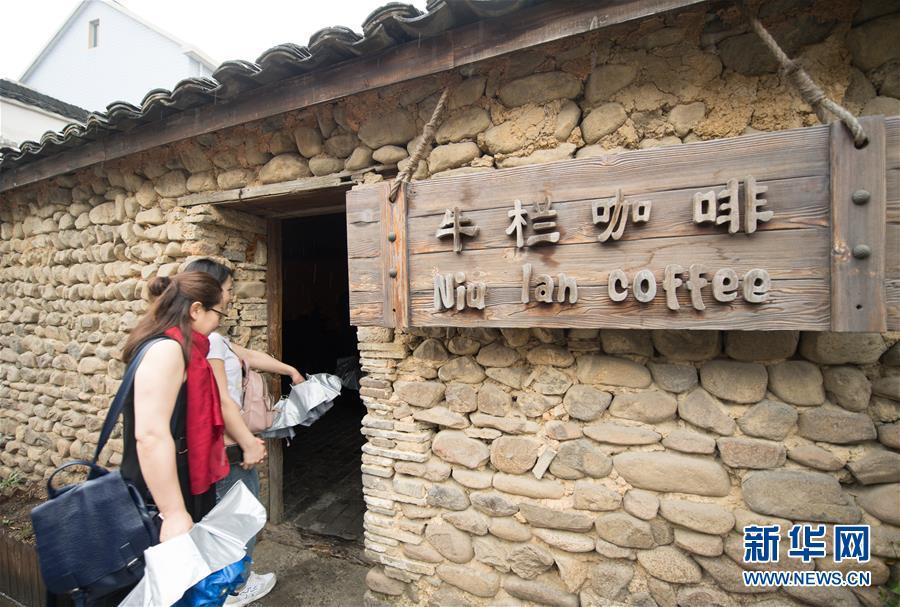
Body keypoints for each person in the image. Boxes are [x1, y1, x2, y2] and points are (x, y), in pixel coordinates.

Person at [184, 258, 303, 607]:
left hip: (222, 444)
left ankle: (225, 584)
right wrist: (245, 442)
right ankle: (234, 588)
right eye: (227, 289)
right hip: (225, 446)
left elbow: (249, 354)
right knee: (238, 519)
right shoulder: (206, 342)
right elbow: (221, 400)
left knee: (230, 516)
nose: (231, 296)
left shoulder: (211, 339)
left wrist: (289, 370)